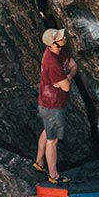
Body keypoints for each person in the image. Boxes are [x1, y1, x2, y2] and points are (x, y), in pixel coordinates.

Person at [32, 28, 78, 184]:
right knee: (53, 140)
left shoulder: (60, 50)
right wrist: (70, 75)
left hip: (52, 102)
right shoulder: (51, 62)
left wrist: (68, 76)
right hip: (52, 106)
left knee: (47, 130)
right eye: (60, 37)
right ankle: (54, 175)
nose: (64, 38)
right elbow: (66, 86)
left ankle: (39, 162)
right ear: (53, 44)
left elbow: (73, 64)